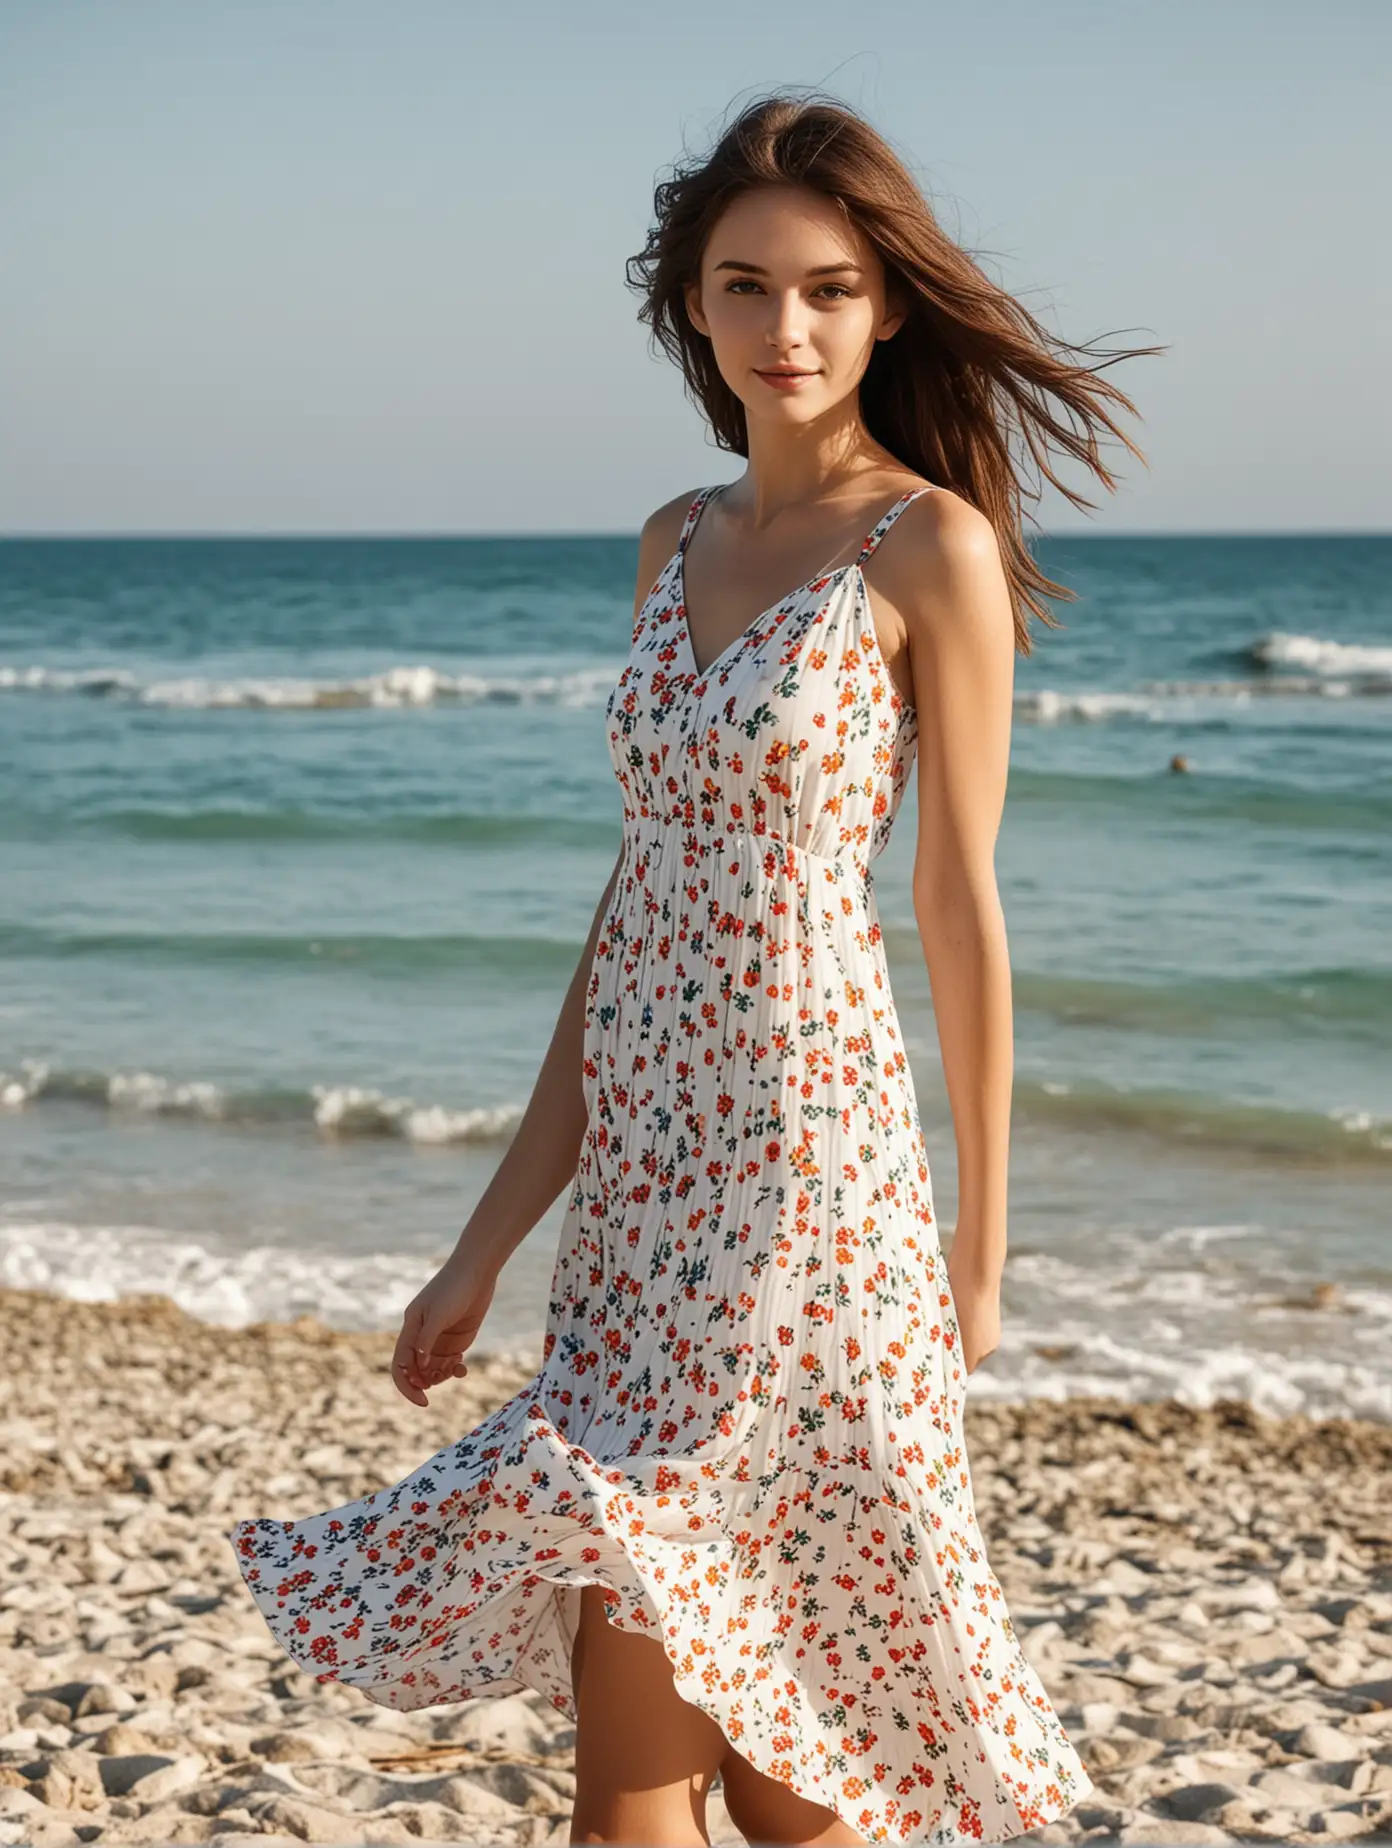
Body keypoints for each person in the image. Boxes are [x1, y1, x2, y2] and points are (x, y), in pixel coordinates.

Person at [229, 89, 1156, 1848]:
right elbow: (635, 915)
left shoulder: (930, 549)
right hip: (643, 1224)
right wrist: (483, 1242)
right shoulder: (668, 543)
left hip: (818, 1202)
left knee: (798, 1779)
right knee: (629, 1785)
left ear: (885, 309)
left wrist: (979, 1252)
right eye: (746, 286)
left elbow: (958, 911)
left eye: (827, 289)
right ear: (694, 310)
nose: (785, 328)